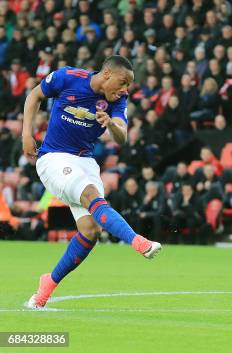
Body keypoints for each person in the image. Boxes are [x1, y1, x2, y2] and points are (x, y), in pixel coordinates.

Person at [21, 56, 162, 310]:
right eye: (123, 82)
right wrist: (26, 134)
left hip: (85, 162)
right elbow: (34, 96)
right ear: (107, 74)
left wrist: (111, 125)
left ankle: (47, 285)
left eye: (128, 85)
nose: (125, 89)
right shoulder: (68, 78)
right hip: (53, 158)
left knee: (90, 231)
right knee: (90, 196)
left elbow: (122, 136)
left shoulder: (118, 101)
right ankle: (137, 241)